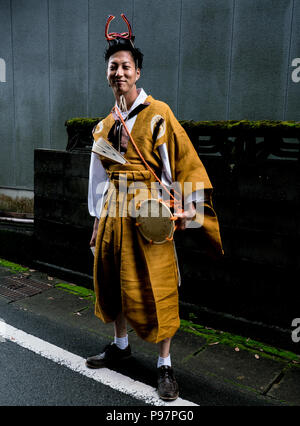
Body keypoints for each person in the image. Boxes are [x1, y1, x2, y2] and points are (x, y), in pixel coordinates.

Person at [86, 14, 223, 401]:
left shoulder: (158, 114)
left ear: (137, 71)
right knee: (111, 279)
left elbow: (181, 162)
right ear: (107, 73)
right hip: (113, 212)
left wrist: (186, 214)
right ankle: (121, 345)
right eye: (113, 67)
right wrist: (96, 220)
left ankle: (164, 364)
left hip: (149, 215)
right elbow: (97, 178)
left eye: (125, 66)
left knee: (158, 284)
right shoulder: (101, 126)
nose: (119, 72)